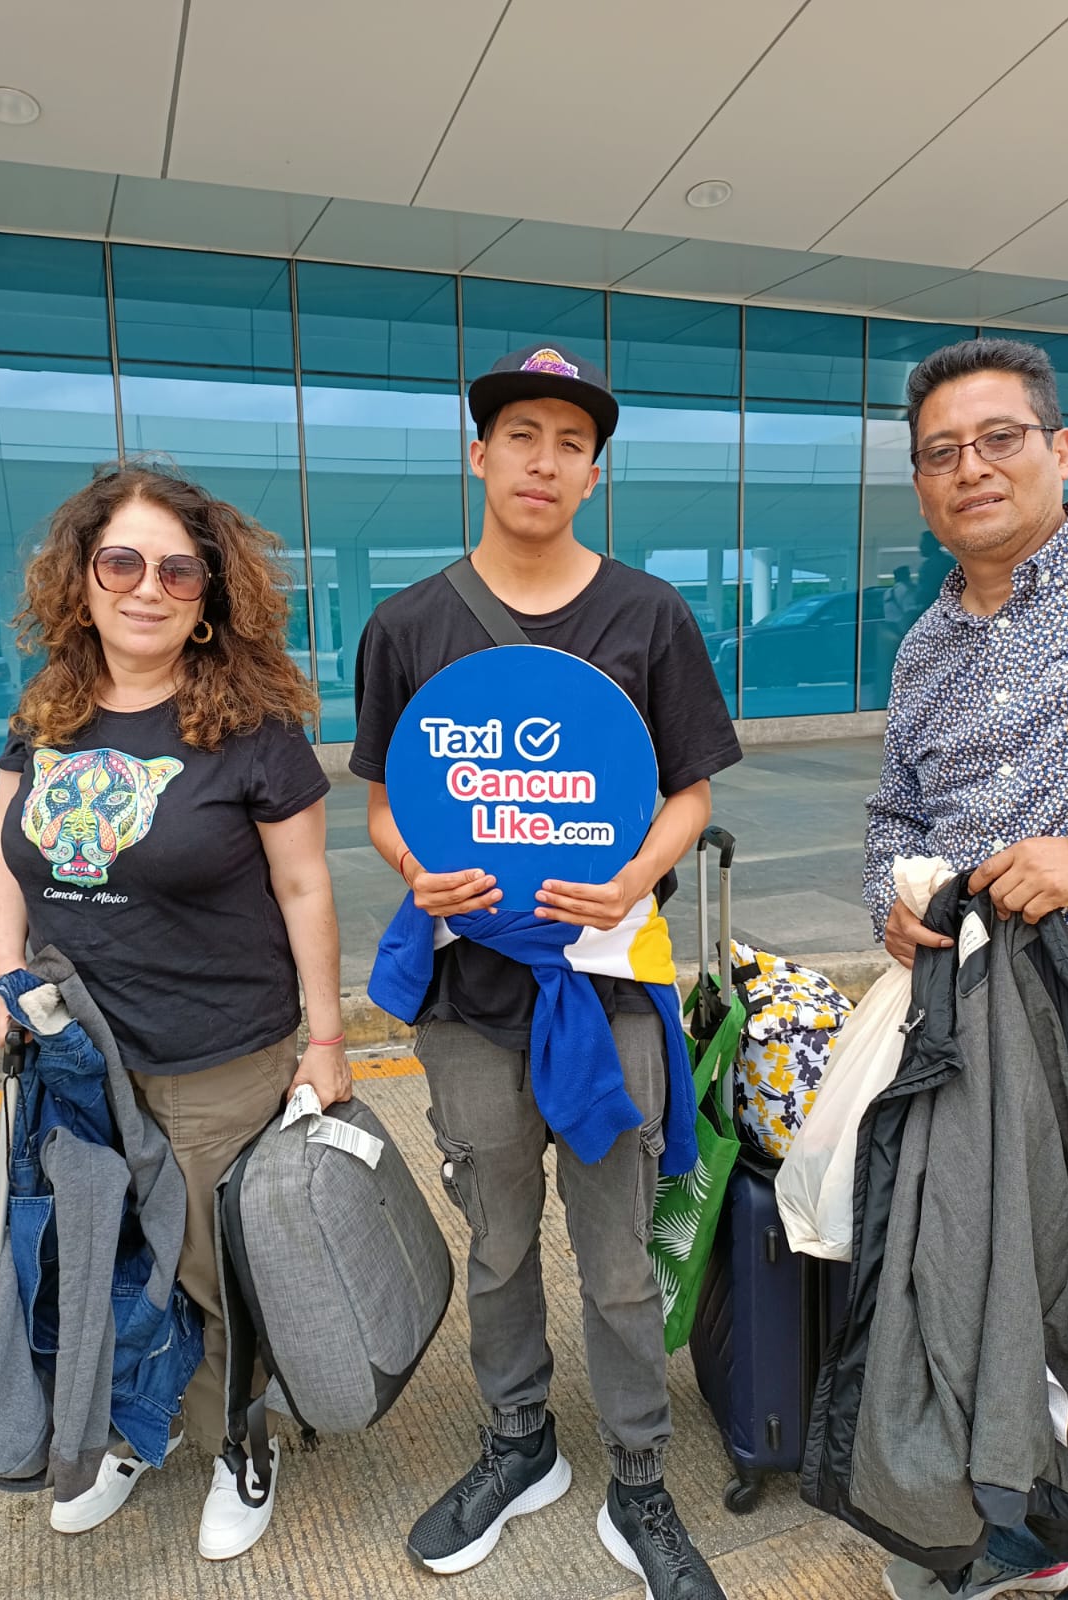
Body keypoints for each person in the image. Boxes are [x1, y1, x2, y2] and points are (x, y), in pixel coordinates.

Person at [351, 344, 743, 1599]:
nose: (544, 459)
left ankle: (639, 1472)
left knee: (620, 1252)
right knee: (501, 1240)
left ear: (594, 474)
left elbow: (688, 790)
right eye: (522, 434)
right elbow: (385, 800)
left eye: (572, 443)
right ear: (480, 454)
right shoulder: (408, 624)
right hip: (470, 998)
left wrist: (634, 878)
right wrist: (414, 865)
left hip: (608, 984)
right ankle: (519, 1440)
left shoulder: (648, 615)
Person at [0, 463, 348, 1561]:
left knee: (208, 1268)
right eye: (123, 562)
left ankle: (239, 1435)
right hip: (76, 1056)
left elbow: (304, 887)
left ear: (209, 595)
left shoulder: (254, 726)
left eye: (178, 571)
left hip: (212, 1054)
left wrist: (328, 1040)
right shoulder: (48, 706)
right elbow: (2, 851)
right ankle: (141, 1425)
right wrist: (4, 973)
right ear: (83, 580)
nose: (148, 587)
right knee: (105, 1259)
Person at [863, 337, 1068, 1600]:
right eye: (942, 453)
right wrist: (894, 894)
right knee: (1011, 1331)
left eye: (999, 439)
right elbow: (896, 813)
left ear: (1060, 448)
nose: (971, 468)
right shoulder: (923, 647)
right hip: (986, 1069)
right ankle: (1028, 1544)